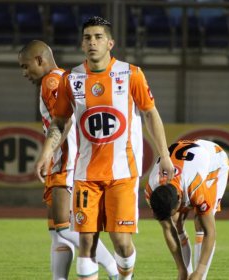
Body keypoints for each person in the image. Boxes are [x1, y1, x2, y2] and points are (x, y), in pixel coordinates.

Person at [35, 17, 174, 280]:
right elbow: (61, 121)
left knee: (121, 241)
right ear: (82, 43)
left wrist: (164, 156)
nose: (92, 42)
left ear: (110, 43)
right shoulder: (71, 79)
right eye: (87, 37)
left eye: (98, 37)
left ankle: (125, 275)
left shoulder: (131, 73)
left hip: (122, 173)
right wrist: (46, 153)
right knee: (86, 243)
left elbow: (150, 113)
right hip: (85, 174)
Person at [18, 40, 118, 280]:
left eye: (25, 66)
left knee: (65, 227)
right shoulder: (61, 78)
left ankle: (116, 270)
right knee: (56, 231)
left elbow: (65, 121)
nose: (24, 73)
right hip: (62, 162)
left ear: (40, 60)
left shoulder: (51, 81)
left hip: (67, 162)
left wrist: (47, 153)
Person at [145, 139, 229, 280]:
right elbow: (168, 229)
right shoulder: (151, 190)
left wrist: (199, 272)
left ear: (179, 203)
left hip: (215, 162)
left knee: (201, 224)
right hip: (190, 157)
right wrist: (181, 269)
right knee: (175, 222)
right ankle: (186, 272)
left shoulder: (195, 187)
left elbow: (211, 232)